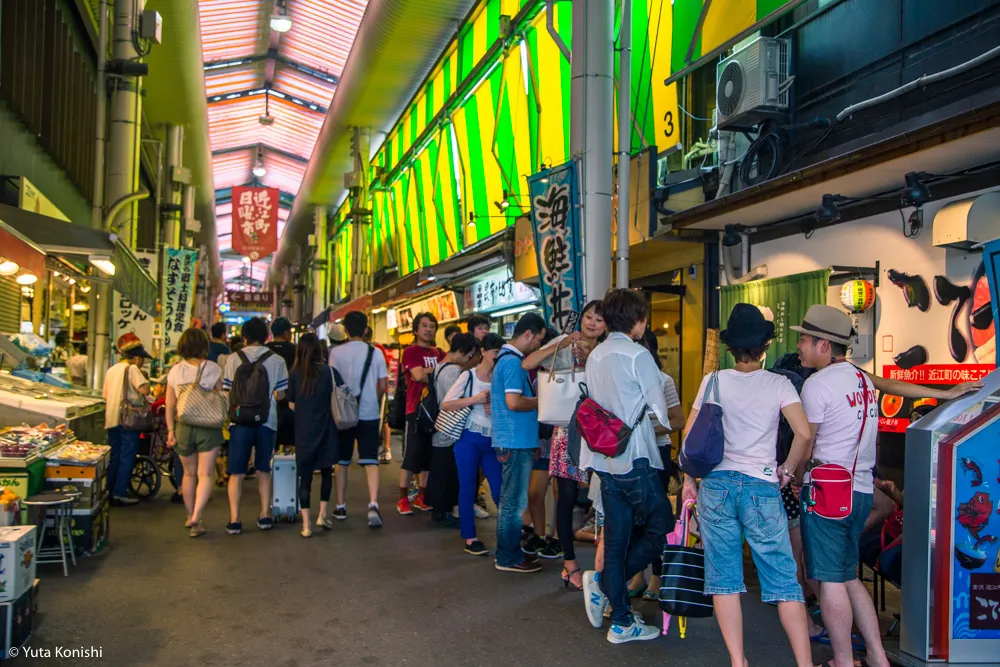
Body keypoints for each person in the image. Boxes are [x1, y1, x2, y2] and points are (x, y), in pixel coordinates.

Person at [793, 305, 980, 667]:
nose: (799, 345)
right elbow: (892, 384)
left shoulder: (816, 385)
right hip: (861, 491)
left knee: (829, 581)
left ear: (824, 345)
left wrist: (793, 475)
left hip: (828, 493)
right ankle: (878, 656)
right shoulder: (860, 378)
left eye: (804, 339)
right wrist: (943, 394)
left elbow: (807, 442)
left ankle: (843, 662)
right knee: (848, 576)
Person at [680, 304, 814, 666]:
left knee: (724, 579)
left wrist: (688, 482)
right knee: (785, 581)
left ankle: (739, 662)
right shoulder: (779, 383)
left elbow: (690, 438)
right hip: (761, 487)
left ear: (730, 347)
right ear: (766, 343)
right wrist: (786, 468)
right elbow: (803, 433)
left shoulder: (713, 381)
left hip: (717, 486)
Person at [580, 289, 674, 644]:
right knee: (662, 529)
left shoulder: (597, 355)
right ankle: (606, 587)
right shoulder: (639, 355)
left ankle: (621, 618)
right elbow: (660, 411)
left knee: (617, 540)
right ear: (636, 321)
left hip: (602, 458)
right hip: (634, 458)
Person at [521, 300, 607, 586]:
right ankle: (569, 563)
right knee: (566, 496)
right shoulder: (564, 341)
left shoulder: (607, 350)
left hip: (601, 429)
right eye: (588, 317)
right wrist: (561, 344)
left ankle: (606, 562)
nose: (592, 323)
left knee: (606, 496)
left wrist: (592, 354)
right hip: (567, 427)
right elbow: (529, 363)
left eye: (599, 319)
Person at [222, 317, 289, 535]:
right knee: (263, 469)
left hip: (239, 420)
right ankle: (264, 515)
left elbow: (227, 392)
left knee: (236, 472)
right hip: (267, 420)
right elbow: (281, 395)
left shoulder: (233, 359)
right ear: (266, 337)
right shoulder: (277, 360)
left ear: (244, 337)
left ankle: (234, 520)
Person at [491, 312, 546, 573]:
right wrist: (544, 400)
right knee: (513, 503)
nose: (537, 346)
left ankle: (508, 553)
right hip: (514, 441)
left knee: (511, 501)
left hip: (513, 440)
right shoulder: (513, 362)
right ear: (528, 334)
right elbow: (514, 402)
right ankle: (507, 557)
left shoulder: (506, 360)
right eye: (538, 341)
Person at [441, 333, 505, 555]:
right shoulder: (468, 376)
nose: (498, 358)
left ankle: (506, 537)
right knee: (468, 486)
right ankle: (470, 537)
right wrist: (475, 400)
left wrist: (495, 408)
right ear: (484, 352)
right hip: (468, 437)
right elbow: (447, 404)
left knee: (499, 490)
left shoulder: (501, 377)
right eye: (496, 353)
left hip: (492, 439)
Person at [633, 327, 685, 599]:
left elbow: (679, 420)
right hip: (631, 453)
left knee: (656, 515)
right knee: (634, 517)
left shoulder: (663, 380)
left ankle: (657, 576)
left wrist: (649, 430)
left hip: (658, 452)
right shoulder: (623, 379)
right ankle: (637, 575)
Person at [330, 311, 389, 528]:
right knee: (370, 460)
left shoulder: (336, 353)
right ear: (366, 329)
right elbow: (383, 386)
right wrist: (374, 399)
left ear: (345, 330)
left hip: (343, 414)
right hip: (369, 413)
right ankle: (373, 504)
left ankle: (341, 505)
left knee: (342, 461)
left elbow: (333, 384)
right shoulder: (376, 353)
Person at [164, 328, 224, 537]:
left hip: (184, 426)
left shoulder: (175, 371)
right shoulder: (213, 368)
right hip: (209, 426)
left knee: (188, 474)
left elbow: (169, 404)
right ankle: (198, 515)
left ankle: (190, 515)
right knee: (205, 474)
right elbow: (219, 396)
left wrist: (171, 430)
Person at [426, 333, 479, 528]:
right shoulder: (454, 372)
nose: (470, 361)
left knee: (443, 469)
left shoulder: (440, 366)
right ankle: (443, 510)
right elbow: (453, 402)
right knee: (446, 471)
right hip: (449, 428)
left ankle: (442, 509)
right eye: (469, 356)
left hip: (441, 427)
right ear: (463, 353)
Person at [288, 333, 337, 537]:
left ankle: (306, 525)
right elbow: (333, 396)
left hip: (304, 431)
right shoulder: (326, 371)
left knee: (305, 477)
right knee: (326, 472)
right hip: (325, 427)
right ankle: (322, 514)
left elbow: (291, 404)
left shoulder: (294, 373)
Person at [397, 312, 445, 515]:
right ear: (415, 330)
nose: (428, 329)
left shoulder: (440, 352)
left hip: (436, 411)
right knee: (411, 456)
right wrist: (435, 373)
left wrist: (426, 372)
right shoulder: (410, 351)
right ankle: (402, 499)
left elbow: (439, 375)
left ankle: (422, 497)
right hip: (415, 410)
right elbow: (417, 376)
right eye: (424, 325)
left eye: (432, 326)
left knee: (429, 457)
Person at [103, 333, 153, 507]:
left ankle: (108, 491)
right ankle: (119, 493)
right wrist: (147, 382)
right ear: (137, 358)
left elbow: (106, 395)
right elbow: (145, 390)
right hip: (128, 420)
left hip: (111, 419)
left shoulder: (111, 370)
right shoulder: (132, 369)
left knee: (115, 456)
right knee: (127, 456)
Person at [267, 317, 297, 450]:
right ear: (286, 332)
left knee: (270, 441)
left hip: (267, 400)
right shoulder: (295, 350)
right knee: (289, 442)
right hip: (289, 399)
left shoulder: (265, 349)